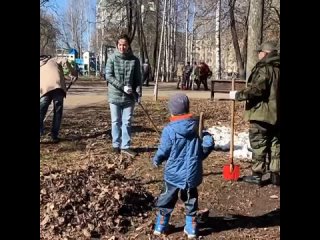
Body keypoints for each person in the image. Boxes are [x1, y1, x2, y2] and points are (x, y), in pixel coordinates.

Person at [152, 93, 215, 239]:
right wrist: (202, 150)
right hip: (191, 174)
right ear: (187, 108)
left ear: (172, 111)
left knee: (168, 196)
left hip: (173, 174)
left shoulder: (169, 130)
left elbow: (164, 150)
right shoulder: (196, 128)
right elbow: (208, 144)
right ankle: (191, 227)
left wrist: (157, 159)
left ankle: (161, 224)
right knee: (190, 198)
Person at [229, 41, 280, 186]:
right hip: (277, 115)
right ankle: (276, 175)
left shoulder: (265, 68)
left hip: (262, 113)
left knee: (259, 143)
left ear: (265, 53)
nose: (258, 54)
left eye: (260, 52)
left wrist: (238, 95)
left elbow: (257, 89)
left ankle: (257, 175)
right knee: (276, 143)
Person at [105, 34, 142, 157]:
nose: (122, 47)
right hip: (114, 96)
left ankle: (125, 146)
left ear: (128, 46)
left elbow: (138, 79)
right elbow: (108, 76)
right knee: (116, 121)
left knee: (127, 122)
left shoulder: (134, 60)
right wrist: (122, 87)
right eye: (120, 45)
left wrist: (138, 93)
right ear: (117, 45)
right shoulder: (112, 58)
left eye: (124, 45)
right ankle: (116, 145)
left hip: (129, 98)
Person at [40, 55, 78, 143]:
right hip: (58, 87)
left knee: (41, 111)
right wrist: (73, 72)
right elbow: (65, 60)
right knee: (57, 112)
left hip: (44, 90)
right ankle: (54, 135)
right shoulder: (54, 60)